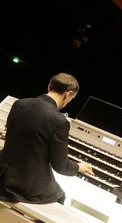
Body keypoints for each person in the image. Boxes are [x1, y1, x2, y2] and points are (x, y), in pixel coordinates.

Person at [0, 72, 94, 204]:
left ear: (49, 86)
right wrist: (78, 167)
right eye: (71, 99)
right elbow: (60, 166)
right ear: (68, 94)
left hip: (3, 173)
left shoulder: (19, 104)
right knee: (60, 196)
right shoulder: (59, 121)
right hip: (23, 186)